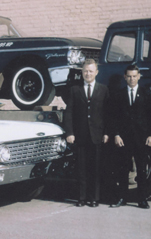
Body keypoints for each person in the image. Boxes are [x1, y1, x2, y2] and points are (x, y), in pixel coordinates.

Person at [63, 59, 110, 207]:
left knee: (95, 169)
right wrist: (69, 132)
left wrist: (107, 133)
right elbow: (69, 112)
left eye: (90, 71)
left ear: (96, 72)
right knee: (81, 169)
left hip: (97, 135)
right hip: (80, 135)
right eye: (85, 71)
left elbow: (107, 114)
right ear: (81, 72)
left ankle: (94, 198)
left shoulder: (103, 90)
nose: (88, 74)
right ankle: (81, 198)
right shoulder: (74, 90)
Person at [109, 64, 151, 209]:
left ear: (139, 76)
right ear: (125, 77)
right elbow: (114, 117)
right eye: (129, 76)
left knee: (141, 169)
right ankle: (122, 198)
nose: (132, 79)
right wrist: (116, 135)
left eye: (134, 76)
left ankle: (142, 199)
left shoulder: (146, 93)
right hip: (124, 138)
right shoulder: (119, 95)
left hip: (141, 138)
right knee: (123, 169)